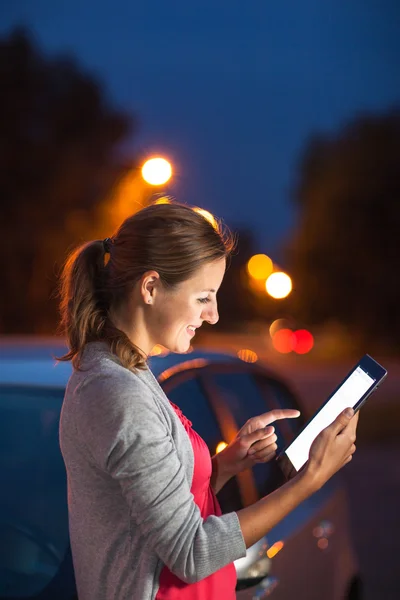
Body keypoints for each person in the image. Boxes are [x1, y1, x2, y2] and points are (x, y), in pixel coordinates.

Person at [58, 202, 358, 600]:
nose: (214, 315)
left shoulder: (126, 371)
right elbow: (191, 553)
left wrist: (227, 464)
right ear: (150, 288)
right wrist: (311, 478)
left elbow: (152, 509)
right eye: (203, 298)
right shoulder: (116, 393)